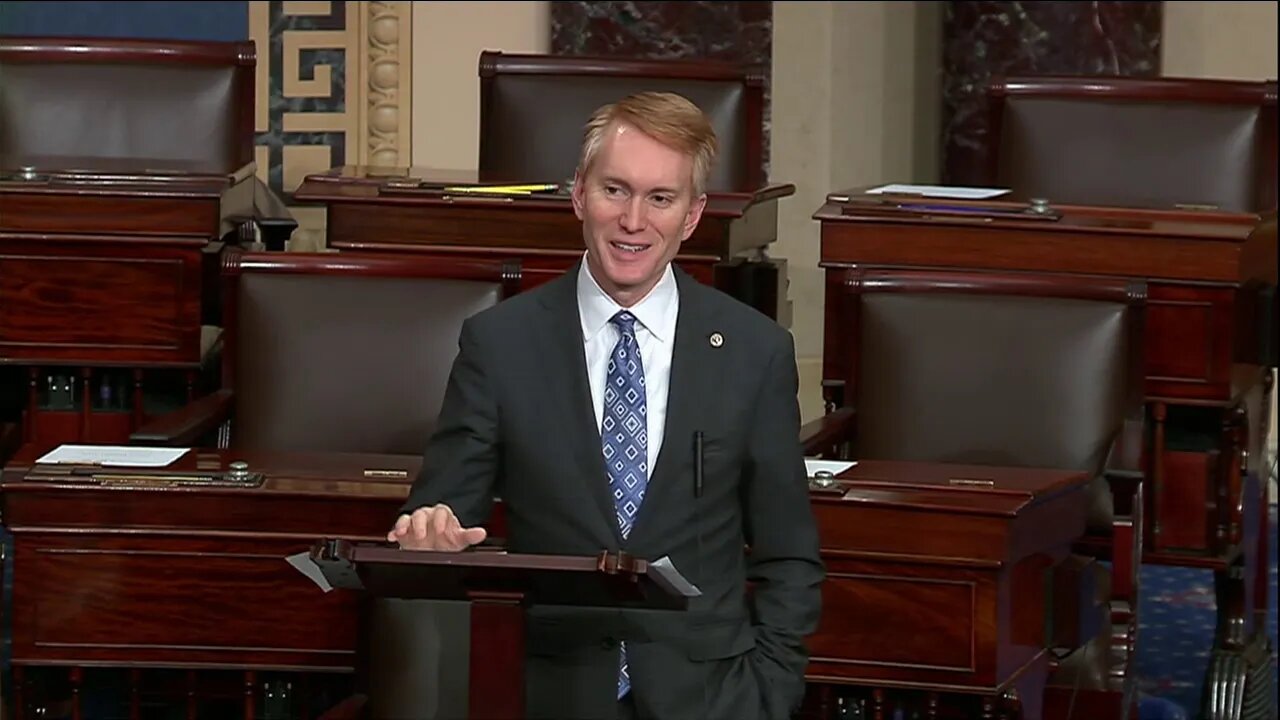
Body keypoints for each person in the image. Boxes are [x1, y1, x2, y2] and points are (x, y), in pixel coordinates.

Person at [389, 90, 824, 720]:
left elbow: (789, 554)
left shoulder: (754, 351)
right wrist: (432, 530)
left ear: (693, 215)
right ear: (578, 195)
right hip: (550, 692)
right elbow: (447, 504)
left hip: (711, 697)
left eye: (660, 198)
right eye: (615, 190)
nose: (633, 221)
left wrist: (768, 692)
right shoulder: (502, 343)